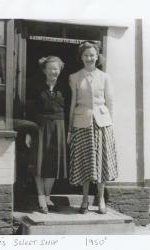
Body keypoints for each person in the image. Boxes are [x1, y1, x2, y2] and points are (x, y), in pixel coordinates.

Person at [67, 41, 118, 214]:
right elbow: (73, 103)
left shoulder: (105, 77)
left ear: (97, 57)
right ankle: (84, 200)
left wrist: (110, 124)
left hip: (102, 124)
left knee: (101, 163)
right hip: (82, 123)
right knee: (85, 162)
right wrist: (70, 128)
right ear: (81, 57)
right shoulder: (74, 77)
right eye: (86, 55)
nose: (89, 58)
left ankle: (101, 199)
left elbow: (110, 102)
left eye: (92, 55)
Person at [26, 56, 67, 214]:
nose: (53, 71)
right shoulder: (36, 87)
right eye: (50, 68)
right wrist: (29, 132)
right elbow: (30, 111)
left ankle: (48, 195)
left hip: (59, 127)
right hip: (40, 127)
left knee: (53, 163)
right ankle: (41, 197)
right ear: (44, 70)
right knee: (39, 162)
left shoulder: (65, 88)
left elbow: (69, 110)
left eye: (56, 68)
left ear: (60, 70)